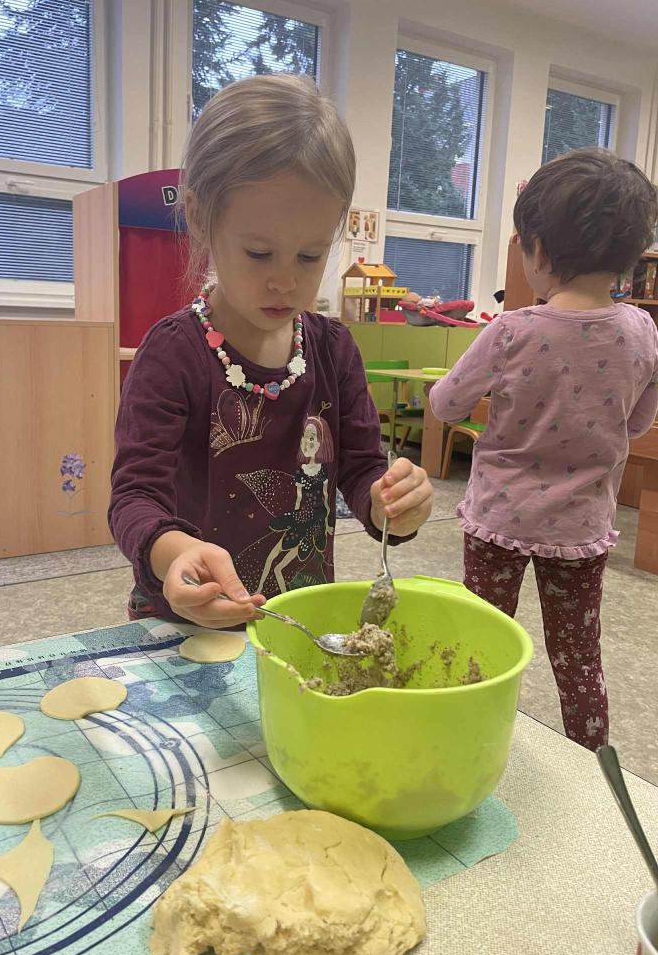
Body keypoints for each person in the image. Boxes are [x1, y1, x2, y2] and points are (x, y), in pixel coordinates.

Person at [110, 75, 433, 629]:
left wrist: (394, 505)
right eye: (259, 253)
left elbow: (362, 472)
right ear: (200, 218)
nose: (285, 281)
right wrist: (175, 554)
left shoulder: (333, 350)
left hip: (297, 620)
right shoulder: (173, 354)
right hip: (187, 619)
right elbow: (134, 498)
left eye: (309, 256)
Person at [429, 148, 658, 750]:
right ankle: (592, 764)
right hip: (582, 527)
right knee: (579, 657)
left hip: (499, 520)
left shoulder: (512, 330)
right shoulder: (642, 331)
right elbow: (637, 422)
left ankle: (464, 746)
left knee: (481, 638)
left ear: (539, 251)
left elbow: (446, 405)